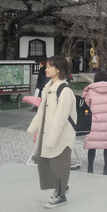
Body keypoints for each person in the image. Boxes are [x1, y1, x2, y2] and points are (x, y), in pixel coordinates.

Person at [27, 56, 77, 209]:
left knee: (59, 165)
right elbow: (42, 112)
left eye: (49, 66)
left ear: (58, 69)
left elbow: (61, 118)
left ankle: (61, 195)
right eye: (46, 66)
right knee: (47, 164)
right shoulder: (48, 87)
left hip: (60, 135)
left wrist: (51, 138)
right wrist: (35, 128)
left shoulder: (65, 90)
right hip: (47, 132)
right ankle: (60, 189)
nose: (46, 69)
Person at [82, 71, 107, 175]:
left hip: (94, 122)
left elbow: (85, 105)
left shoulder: (91, 90)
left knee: (92, 145)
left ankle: (90, 167)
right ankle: (106, 169)